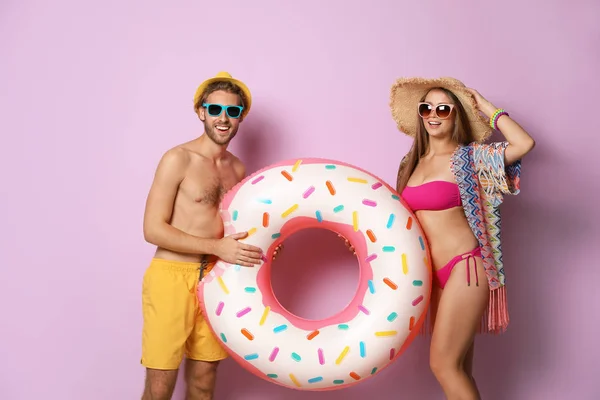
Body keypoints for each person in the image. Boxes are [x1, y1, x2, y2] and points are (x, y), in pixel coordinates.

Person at [389, 77, 535, 399]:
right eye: (426, 108)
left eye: (444, 108)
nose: (433, 115)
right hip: (434, 278)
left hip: (466, 269)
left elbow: (523, 144)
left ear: (456, 115)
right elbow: (398, 222)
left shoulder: (470, 159)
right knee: (459, 370)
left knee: (443, 364)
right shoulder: (409, 164)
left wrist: (484, 106)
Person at [140, 71, 264, 400]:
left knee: (204, 383)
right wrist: (216, 247)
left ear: (241, 117)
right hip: (171, 277)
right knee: (159, 388)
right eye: (215, 110)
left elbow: (233, 229)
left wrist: (260, 249)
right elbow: (152, 229)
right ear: (201, 111)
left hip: (215, 281)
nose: (223, 119)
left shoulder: (237, 170)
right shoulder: (177, 159)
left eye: (233, 112)